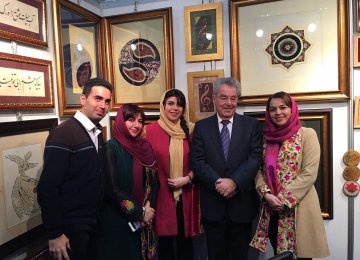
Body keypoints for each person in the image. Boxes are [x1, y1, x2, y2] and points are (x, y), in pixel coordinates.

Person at [37, 78, 113, 260]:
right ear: (83, 99)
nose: (103, 105)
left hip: (92, 224)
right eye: (97, 98)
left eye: (107, 101)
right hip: (71, 229)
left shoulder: (95, 131)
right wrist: (55, 233)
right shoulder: (64, 133)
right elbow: (47, 187)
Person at [250, 91, 329, 259]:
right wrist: (266, 194)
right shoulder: (265, 138)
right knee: (281, 256)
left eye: (283, 107)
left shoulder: (307, 134)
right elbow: (258, 171)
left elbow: (309, 173)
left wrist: (283, 200)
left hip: (299, 210)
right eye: (272, 109)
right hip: (272, 211)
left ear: (292, 109)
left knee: (302, 256)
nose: (278, 113)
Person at [191, 77, 263, 260]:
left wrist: (234, 182)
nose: (229, 103)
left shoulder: (252, 126)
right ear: (214, 99)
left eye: (233, 98)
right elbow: (198, 161)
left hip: (242, 205)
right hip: (213, 207)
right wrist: (218, 182)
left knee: (241, 256)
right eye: (224, 98)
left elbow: (255, 159)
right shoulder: (201, 127)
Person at [93, 104, 158, 260]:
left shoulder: (145, 147)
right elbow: (113, 190)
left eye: (140, 121)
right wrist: (140, 213)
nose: (136, 125)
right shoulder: (111, 148)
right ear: (121, 121)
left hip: (145, 221)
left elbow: (155, 181)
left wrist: (149, 209)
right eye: (131, 120)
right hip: (118, 222)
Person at [146, 89, 201, 260]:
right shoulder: (149, 131)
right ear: (162, 105)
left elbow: (201, 162)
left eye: (179, 104)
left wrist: (187, 178)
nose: (175, 108)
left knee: (186, 245)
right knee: (165, 244)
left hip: (187, 195)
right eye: (170, 103)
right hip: (161, 196)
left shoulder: (191, 130)